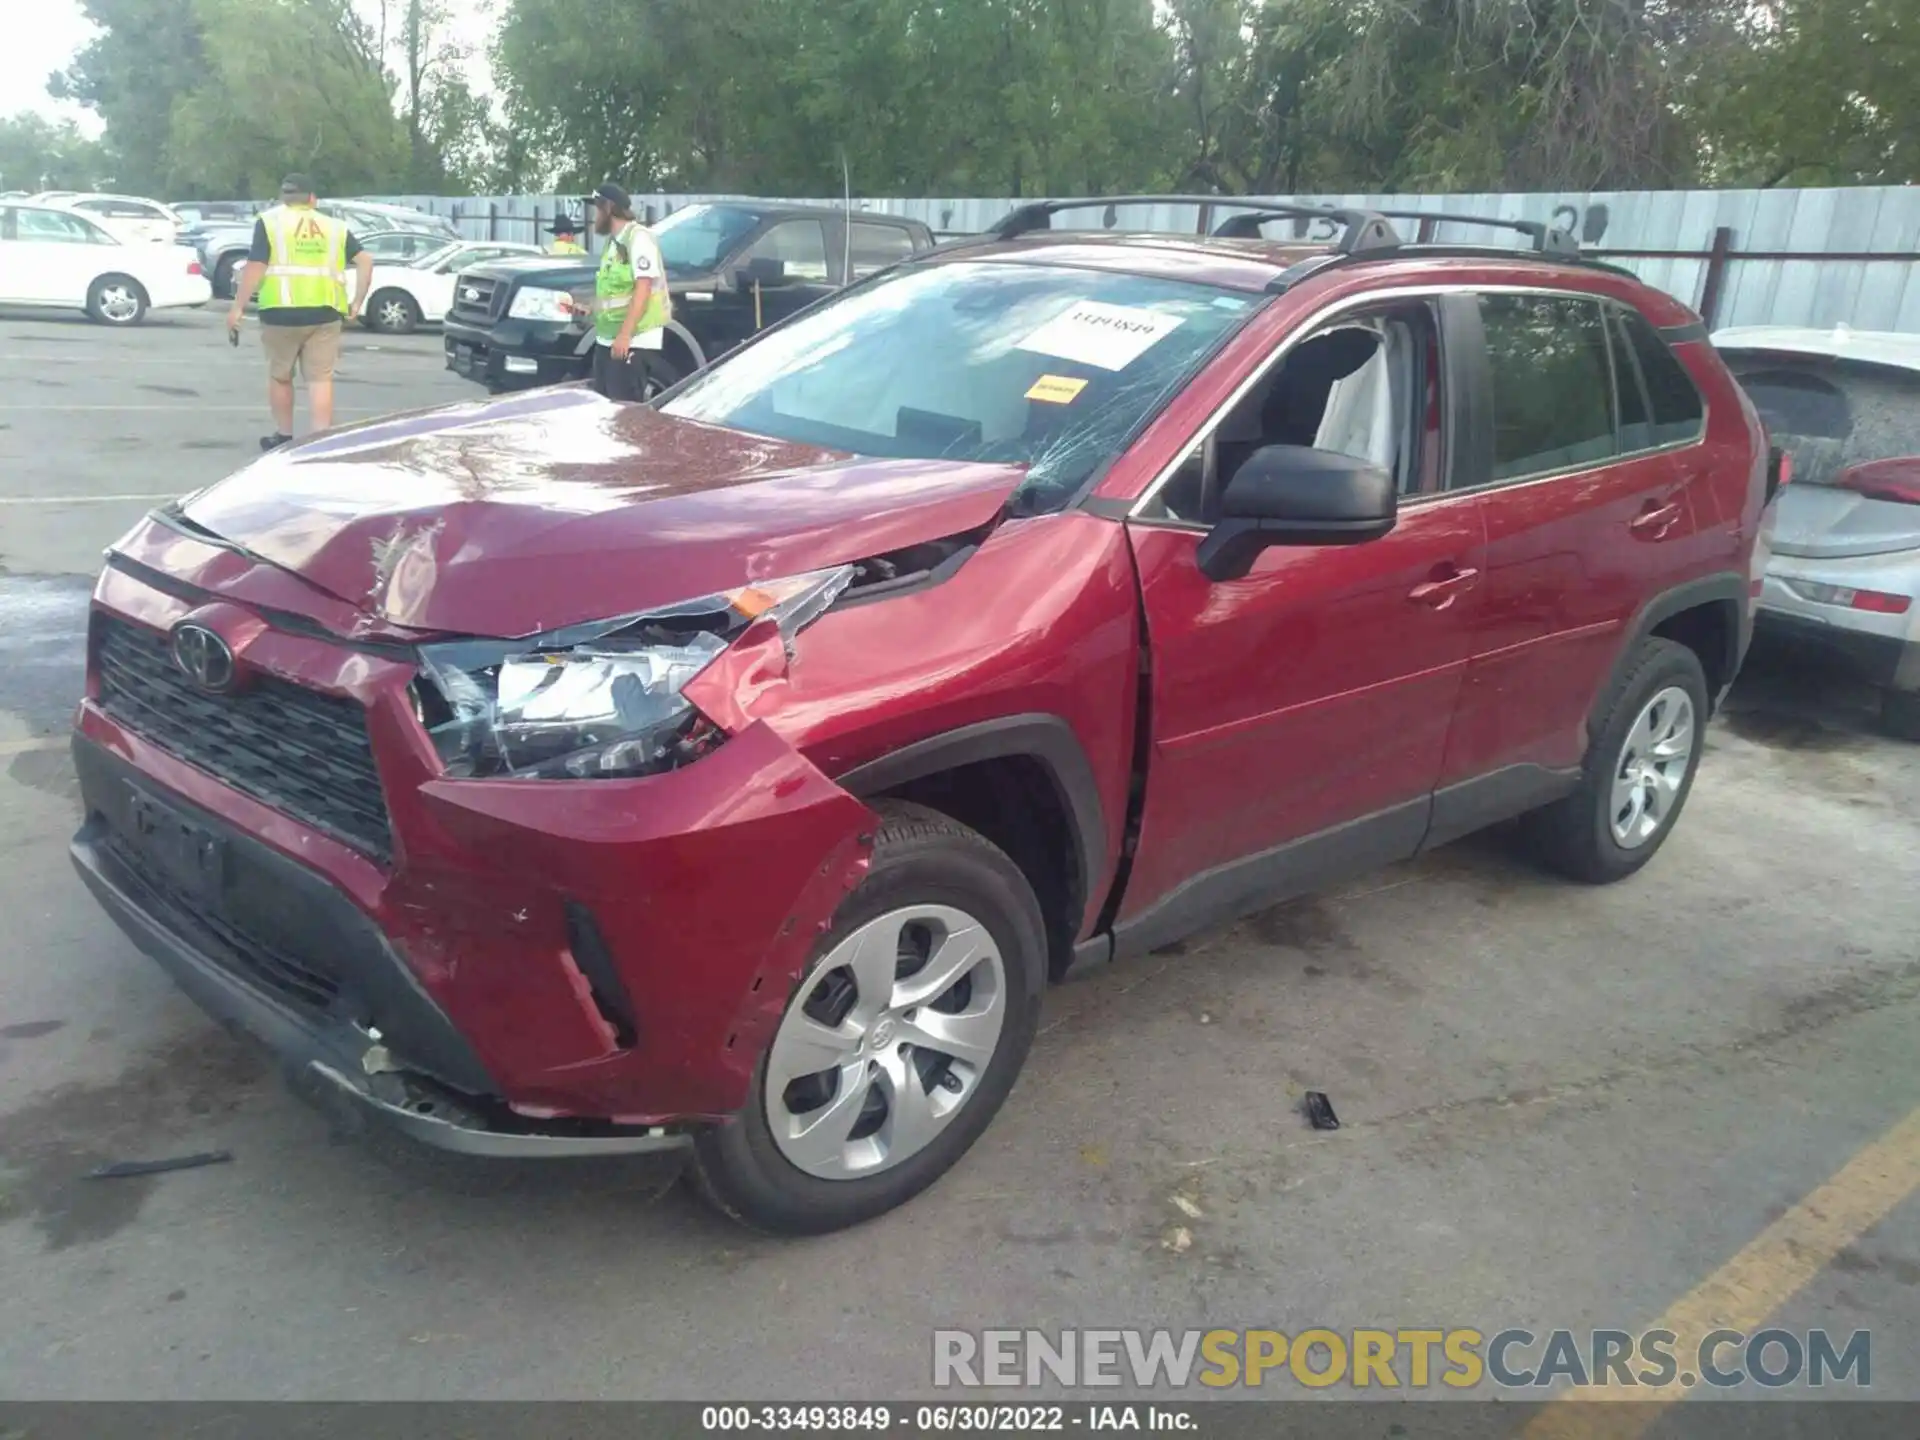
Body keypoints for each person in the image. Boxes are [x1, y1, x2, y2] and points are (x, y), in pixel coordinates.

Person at [226, 174, 372, 451]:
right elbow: (365, 260)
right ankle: (319, 443)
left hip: (279, 312)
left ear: (283, 198)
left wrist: (238, 307)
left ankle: (283, 438)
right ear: (312, 199)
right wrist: (357, 301)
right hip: (325, 313)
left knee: (281, 376)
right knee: (320, 379)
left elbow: (256, 266)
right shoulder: (335, 227)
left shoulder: (269, 222)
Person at [588, 182, 671, 402]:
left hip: (632, 340)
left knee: (622, 412)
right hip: (609, 339)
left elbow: (642, 288)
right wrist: (586, 310)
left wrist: (625, 335)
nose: (594, 215)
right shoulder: (613, 243)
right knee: (604, 410)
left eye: (597, 208)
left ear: (608, 208)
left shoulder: (638, 238)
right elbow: (613, 296)